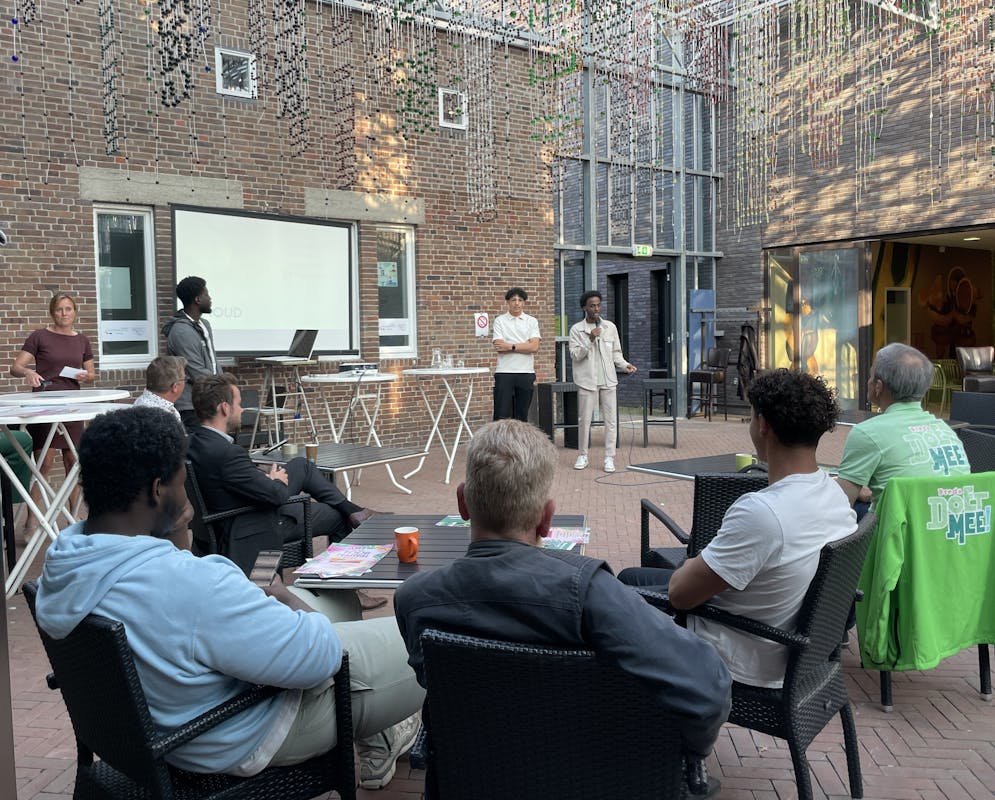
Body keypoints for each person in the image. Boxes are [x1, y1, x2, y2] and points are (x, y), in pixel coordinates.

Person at [32, 406, 423, 790]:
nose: (186, 494)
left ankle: (378, 735)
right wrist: (296, 609)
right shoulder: (191, 584)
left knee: (338, 602)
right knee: (426, 630)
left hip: (165, 725)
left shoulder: (67, 563)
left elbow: (173, 612)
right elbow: (321, 660)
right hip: (244, 734)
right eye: (181, 483)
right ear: (157, 489)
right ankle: (392, 731)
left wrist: (175, 534)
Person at [395, 419, 731, 768]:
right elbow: (708, 687)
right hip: (586, 775)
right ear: (546, 518)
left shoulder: (413, 600)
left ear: (463, 503)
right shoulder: (588, 593)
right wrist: (685, 760)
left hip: (472, 776)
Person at [618, 369, 857, 688]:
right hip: (792, 645)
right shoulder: (835, 496)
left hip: (742, 658)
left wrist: (697, 560)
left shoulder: (763, 513)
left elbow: (680, 595)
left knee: (617, 599)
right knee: (630, 577)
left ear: (763, 425)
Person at [186, 374, 382, 575]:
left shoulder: (191, 444)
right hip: (248, 525)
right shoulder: (227, 453)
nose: (242, 409)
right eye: (239, 404)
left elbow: (233, 480)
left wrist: (264, 479)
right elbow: (276, 496)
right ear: (225, 408)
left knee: (301, 465)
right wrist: (276, 481)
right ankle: (340, 582)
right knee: (337, 516)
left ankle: (354, 510)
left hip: (228, 515)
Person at [836, 342, 969, 513]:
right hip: (946, 524)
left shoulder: (867, 433)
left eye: (870, 376)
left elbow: (840, 504)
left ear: (878, 386)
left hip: (900, 528)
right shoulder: (946, 431)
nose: (868, 381)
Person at [10, 292, 96, 524]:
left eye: (68, 309)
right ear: (52, 312)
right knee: (43, 463)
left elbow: (91, 374)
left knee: (73, 461)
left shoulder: (82, 340)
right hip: (45, 403)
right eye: (59, 309)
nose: (64, 313)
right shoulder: (39, 336)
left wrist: (85, 375)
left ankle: (74, 519)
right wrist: (28, 372)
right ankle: (32, 521)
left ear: (74, 312)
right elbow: (15, 367)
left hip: (72, 405)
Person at [568, 290, 636, 473]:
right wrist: (589, 339)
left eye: (598, 305)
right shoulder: (576, 329)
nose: (596, 309)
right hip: (587, 381)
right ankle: (583, 455)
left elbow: (616, 353)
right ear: (584, 307)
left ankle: (609, 458)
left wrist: (625, 365)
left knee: (611, 421)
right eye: (592, 305)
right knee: (584, 420)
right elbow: (575, 355)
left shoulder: (609, 327)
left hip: (608, 380)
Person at [162, 276, 221, 432]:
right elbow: (196, 372)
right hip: (190, 405)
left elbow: (213, 360)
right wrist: (222, 387)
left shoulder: (204, 324)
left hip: (208, 399)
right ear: (197, 300)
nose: (210, 298)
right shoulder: (181, 331)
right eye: (206, 294)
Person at [491, 286, 541, 422]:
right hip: (504, 372)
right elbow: (500, 347)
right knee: (501, 415)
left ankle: (520, 437)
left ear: (524, 303)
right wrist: (525, 345)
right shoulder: (500, 321)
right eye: (513, 300)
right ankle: (499, 437)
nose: (517, 303)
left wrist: (510, 346)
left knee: (522, 415)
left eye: (520, 300)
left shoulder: (532, 321)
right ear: (507, 302)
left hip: (526, 372)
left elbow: (534, 347)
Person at [132, 355, 186, 421]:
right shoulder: (160, 417)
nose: (185, 382)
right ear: (175, 387)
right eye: (184, 379)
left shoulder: (143, 402)